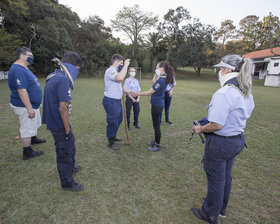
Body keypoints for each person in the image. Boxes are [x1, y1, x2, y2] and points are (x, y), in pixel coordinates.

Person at [191, 54, 255, 224]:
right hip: (236, 140)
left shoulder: (224, 92)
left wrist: (201, 128)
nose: (219, 71)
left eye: (220, 68)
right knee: (226, 177)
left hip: (221, 143)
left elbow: (217, 125)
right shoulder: (245, 90)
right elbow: (242, 114)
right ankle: (221, 209)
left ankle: (210, 214)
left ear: (227, 70)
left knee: (215, 181)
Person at [42, 51, 84, 192]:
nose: (77, 73)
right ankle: (67, 182)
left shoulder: (53, 76)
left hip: (56, 121)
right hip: (59, 123)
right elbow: (62, 108)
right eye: (77, 69)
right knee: (64, 152)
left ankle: (70, 168)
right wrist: (66, 128)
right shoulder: (62, 80)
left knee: (70, 145)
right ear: (72, 67)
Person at [8, 46, 46, 161]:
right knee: (27, 127)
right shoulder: (18, 69)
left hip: (32, 104)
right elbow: (21, 90)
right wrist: (29, 108)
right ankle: (27, 151)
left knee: (33, 124)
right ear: (21, 56)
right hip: (24, 106)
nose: (31, 58)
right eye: (29, 56)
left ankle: (32, 138)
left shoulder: (24, 68)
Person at [131, 61, 175, 151]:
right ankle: (155, 141)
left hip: (157, 105)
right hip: (157, 104)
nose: (156, 69)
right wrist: (156, 73)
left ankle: (157, 144)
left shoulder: (162, 80)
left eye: (157, 67)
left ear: (162, 68)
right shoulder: (162, 77)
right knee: (156, 124)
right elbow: (154, 82)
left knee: (157, 125)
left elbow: (150, 91)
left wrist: (137, 93)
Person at [102, 54, 130, 150]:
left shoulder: (116, 71)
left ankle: (113, 135)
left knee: (119, 119)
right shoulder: (110, 71)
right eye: (121, 63)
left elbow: (120, 85)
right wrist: (126, 65)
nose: (122, 65)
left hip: (117, 101)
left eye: (123, 63)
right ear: (116, 62)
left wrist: (129, 92)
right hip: (110, 101)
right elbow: (120, 78)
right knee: (112, 121)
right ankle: (111, 141)